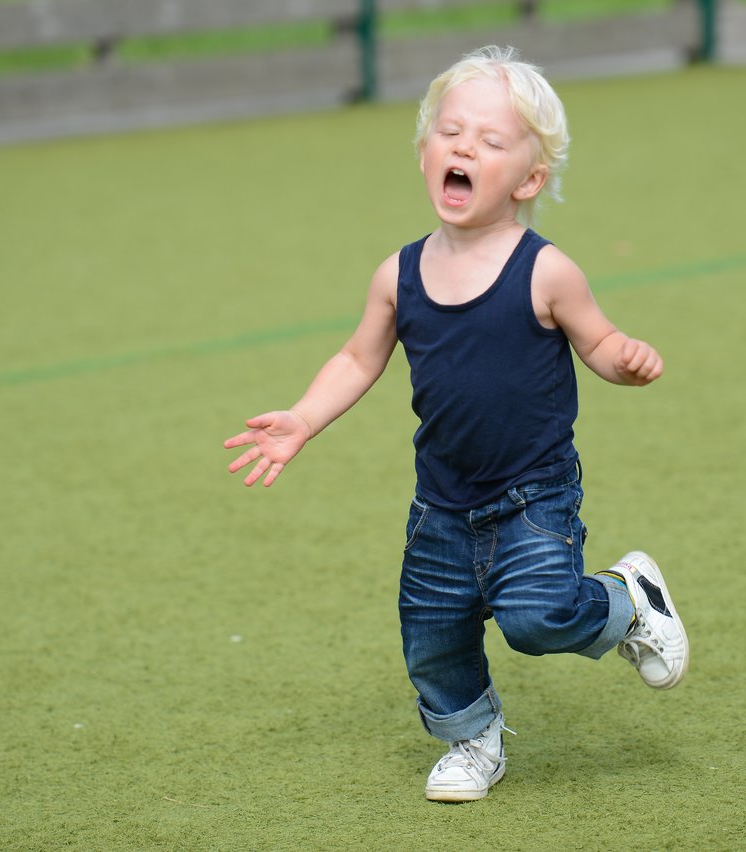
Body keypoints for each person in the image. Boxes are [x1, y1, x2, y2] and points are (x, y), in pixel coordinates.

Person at [223, 45, 688, 803]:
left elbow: (596, 342)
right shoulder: (397, 274)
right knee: (433, 637)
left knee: (538, 619)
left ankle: (630, 599)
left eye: (491, 140)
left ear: (530, 179)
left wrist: (623, 359)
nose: (464, 146)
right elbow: (356, 358)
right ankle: (473, 740)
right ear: (425, 152)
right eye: (451, 131)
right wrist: (302, 419)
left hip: (533, 496)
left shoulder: (545, 270)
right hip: (440, 504)